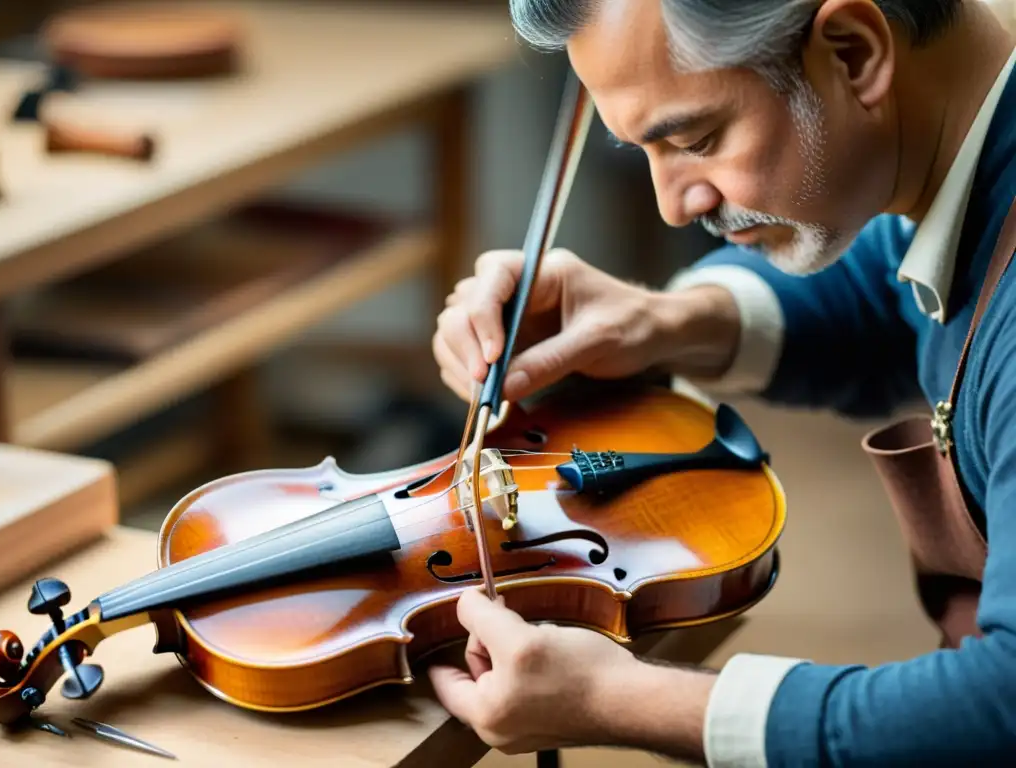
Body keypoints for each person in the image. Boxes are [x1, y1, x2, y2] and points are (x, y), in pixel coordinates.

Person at [427, 0, 1016, 766]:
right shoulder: (961, 156)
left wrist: (619, 699)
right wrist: (663, 318)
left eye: (696, 139)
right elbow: (895, 281)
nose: (674, 206)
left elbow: (1001, 709)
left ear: (854, 54)